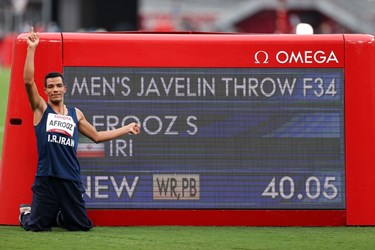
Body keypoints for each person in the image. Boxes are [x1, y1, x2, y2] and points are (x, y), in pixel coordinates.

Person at [19, 28, 141, 231]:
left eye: (59, 85)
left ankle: (59, 215)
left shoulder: (76, 114)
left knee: (82, 226)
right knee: (36, 226)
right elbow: (27, 81)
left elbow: (97, 136)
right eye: (51, 87)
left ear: (65, 88)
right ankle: (26, 212)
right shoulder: (41, 109)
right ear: (46, 90)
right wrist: (32, 48)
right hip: (46, 177)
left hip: (70, 177)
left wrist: (126, 128)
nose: (55, 89)